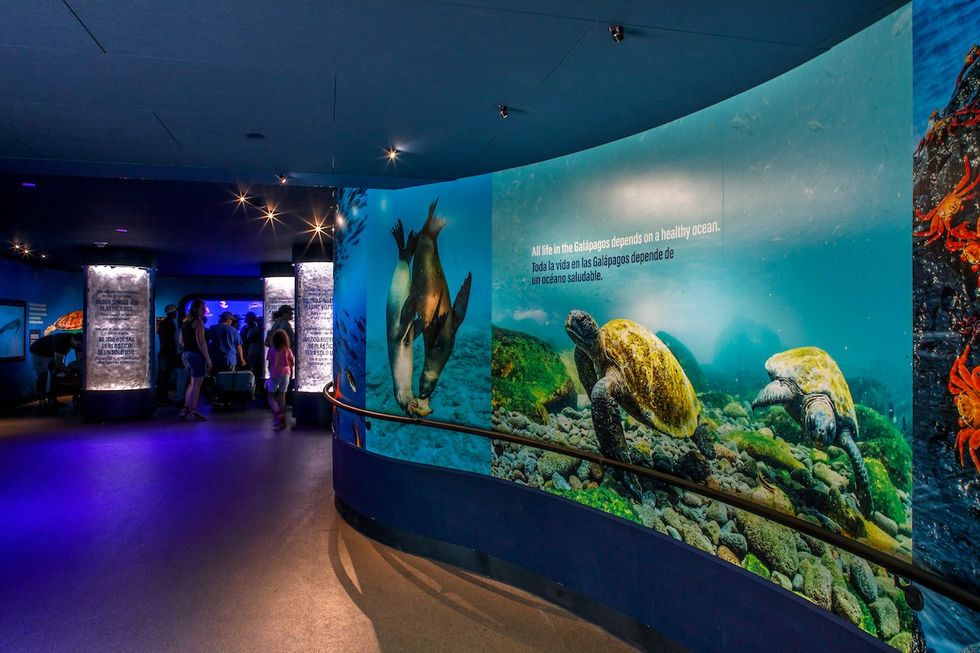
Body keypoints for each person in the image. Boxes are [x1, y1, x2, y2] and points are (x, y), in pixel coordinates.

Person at [29, 331, 82, 411]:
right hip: (39, 352)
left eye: (81, 345)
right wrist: (69, 372)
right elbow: (58, 363)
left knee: (54, 373)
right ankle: (42, 401)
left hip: (51, 353)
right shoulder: (61, 342)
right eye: (78, 345)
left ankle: (52, 400)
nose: (79, 346)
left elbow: (79, 360)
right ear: (73, 340)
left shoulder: (76, 341)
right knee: (43, 375)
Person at [179, 299, 211, 420]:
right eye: (202, 308)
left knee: (192, 382)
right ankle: (193, 410)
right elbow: (201, 342)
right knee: (197, 384)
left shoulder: (185, 322)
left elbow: (181, 341)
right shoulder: (198, 322)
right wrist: (208, 359)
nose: (204, 310)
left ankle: (185, 409)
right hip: (196, 355)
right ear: (195, 309)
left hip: (186, 354)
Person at [265, 328, 294, 430]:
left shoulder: (271, 350)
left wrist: (270, 373)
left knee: (271, 396)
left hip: (274, 374)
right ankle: (282, 417)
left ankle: (277, 413)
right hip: (286, 374)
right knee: (282, 396)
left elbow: (269, 364)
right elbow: (292, 363)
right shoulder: (288, 350)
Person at [156, 304, 180, 403]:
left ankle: (161, 397)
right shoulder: (170, 323)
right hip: (167, 353)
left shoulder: (162, 323)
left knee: (163, 375)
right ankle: (162, 398)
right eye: (175, 312)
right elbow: (170, 339)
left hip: (163, 352)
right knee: (165, 376)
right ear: (173, 313)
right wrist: (174, 351)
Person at [242, 312, 264, 385]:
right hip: (252, 353)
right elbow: (250, 339)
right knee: (254, 371)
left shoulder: (252, 329)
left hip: (255, 353)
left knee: (256, 371)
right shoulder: (251, 329)